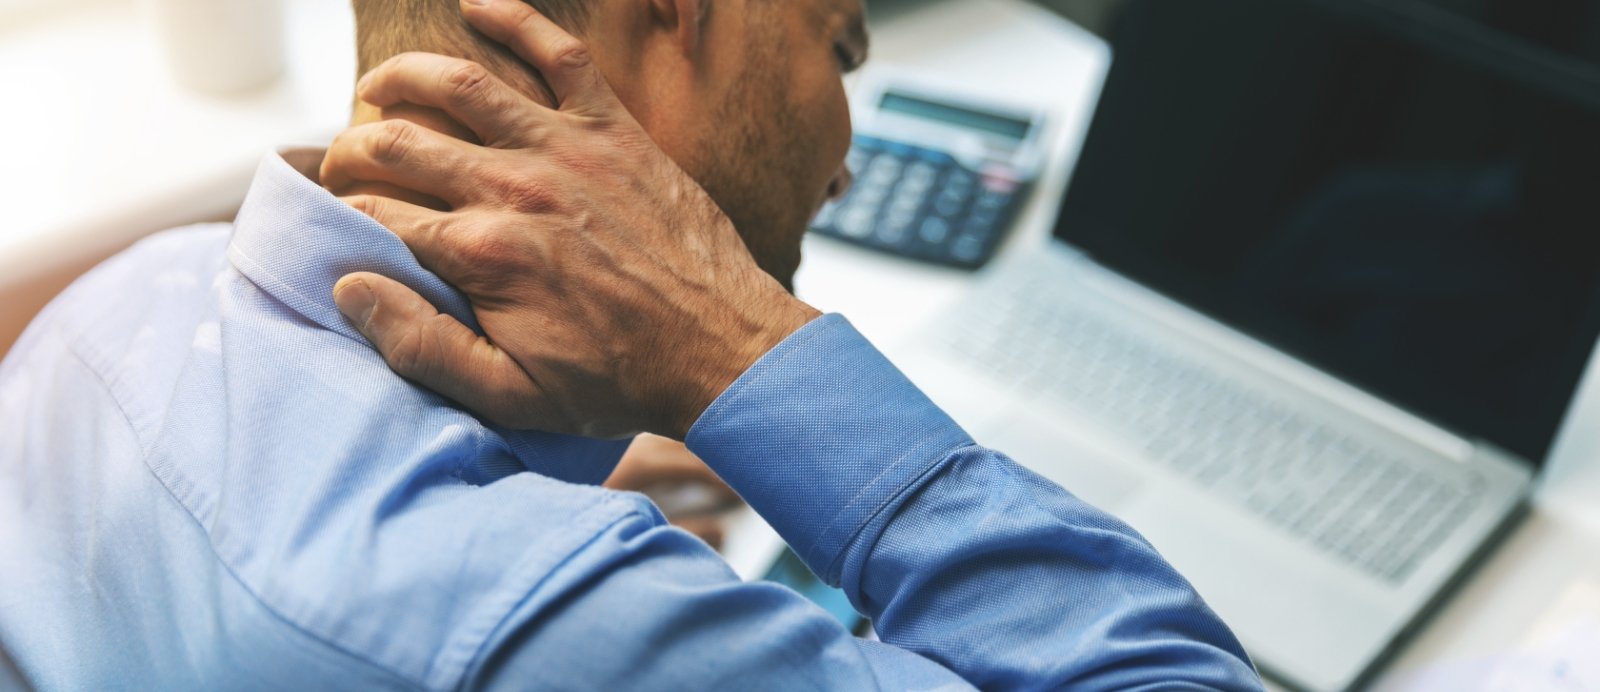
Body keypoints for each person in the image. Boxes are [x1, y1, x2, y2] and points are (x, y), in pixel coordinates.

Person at [0, 1, 1263, 690]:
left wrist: (556, 469)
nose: (846, 154)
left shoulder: (109, 309)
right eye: (841, 46)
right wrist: (739, 348)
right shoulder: (546, 624)